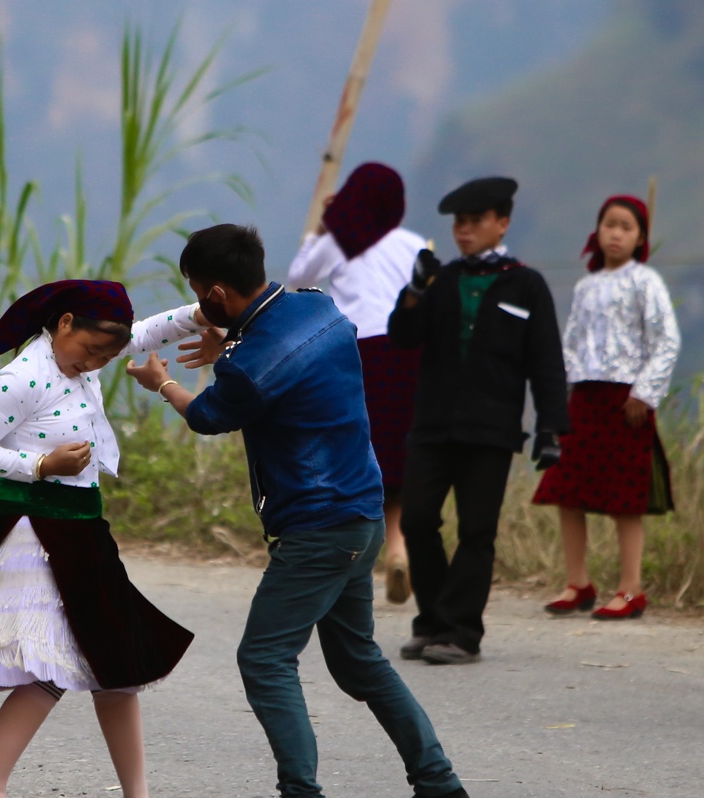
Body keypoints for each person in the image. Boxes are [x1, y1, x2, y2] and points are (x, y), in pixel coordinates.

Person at [126, 223, 472, 798]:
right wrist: (230, 342)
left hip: (316, 526)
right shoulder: (320, 308)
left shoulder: (251, 365)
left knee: (263, 658)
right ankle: (439, 786)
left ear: (216, 292)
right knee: (359, 661)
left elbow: (208, 416)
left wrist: (165, 383)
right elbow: (265, 347)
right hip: (362, 515)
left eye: (200, 293)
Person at [0, 281, 219, 798]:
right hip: (32, 530)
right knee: (49, 666)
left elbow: (149, 330)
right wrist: (42, 466)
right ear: (63, 324)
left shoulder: (90, 355)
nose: (95, 363)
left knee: (115, 666)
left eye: (106, 356)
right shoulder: (20, 378)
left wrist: (204, 313)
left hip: (85, 527)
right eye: (89, 350)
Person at [386, 177, 570, 665]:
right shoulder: (440, 280)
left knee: (477, 531)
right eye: (458, 224)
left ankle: (461, 632)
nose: (463, 232)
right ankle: (433, 622)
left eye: (474, 222)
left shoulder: (525, 284)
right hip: (432, 426)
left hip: (491, 431)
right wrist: (413, 289)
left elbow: (546, 361)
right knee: (420, 520)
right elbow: (403, 337)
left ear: (501, 223)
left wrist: (551, 427)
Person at [287, 162, 429, 604]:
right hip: (409, 351)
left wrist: (318, 229)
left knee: (363, 452)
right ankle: (401, 548)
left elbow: (298, 279)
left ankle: (359, 556)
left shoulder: (339, 242)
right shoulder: (412, 243)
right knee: (400, 453)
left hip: (358, 353)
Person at [535, 195, 680, 620]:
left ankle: (631, 588)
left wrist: (644, 393)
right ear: (597, 232)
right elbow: (572, 342)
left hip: (626, 403)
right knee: (566, 490)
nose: (615, 233)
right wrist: (563, 395)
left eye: (626, 227)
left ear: (640, 239)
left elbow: (665, 340)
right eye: (609, 224)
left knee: (625, 499)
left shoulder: (645, 282)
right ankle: (578, 582)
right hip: (585, 398)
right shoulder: (586, 286)